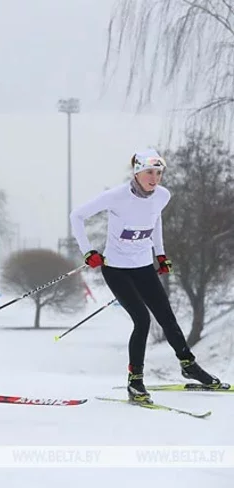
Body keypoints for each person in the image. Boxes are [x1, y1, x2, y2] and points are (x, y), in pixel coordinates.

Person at [70, 149, 222, 403]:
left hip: (143, 267)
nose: (155, 178)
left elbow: (155, 221)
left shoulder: (162, 196)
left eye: (159, 173)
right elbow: (76, 216)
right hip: (116, 269)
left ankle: (189, 365)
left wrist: (160, 255)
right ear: (137, 172)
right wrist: (88, 251)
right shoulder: (116, 196)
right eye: (149, 172)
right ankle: (135, 381)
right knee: (142, 319)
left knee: (166, 317)